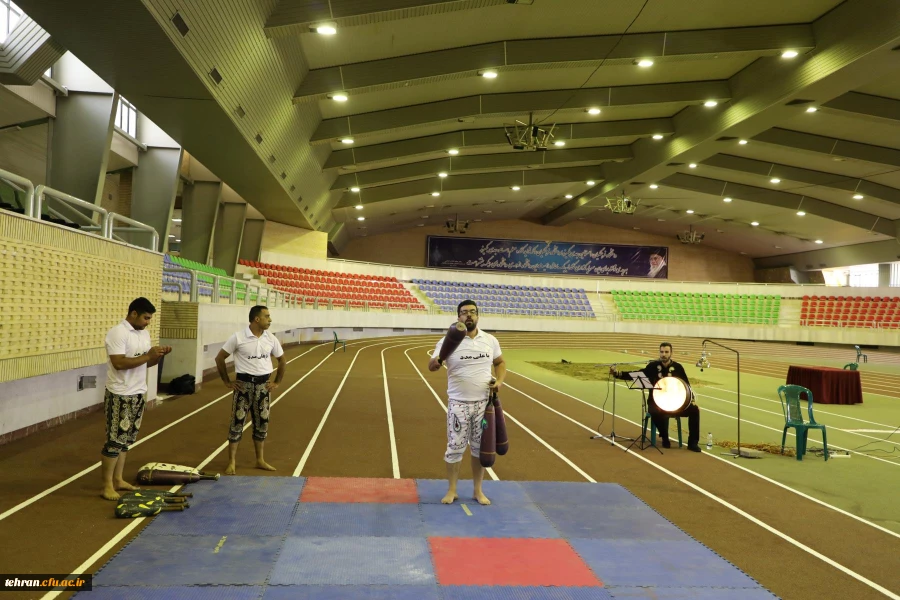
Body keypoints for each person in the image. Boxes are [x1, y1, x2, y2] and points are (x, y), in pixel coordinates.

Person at [428, 300, 506, 506]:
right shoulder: (448, 341)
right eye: (464, 313)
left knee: (479, 448)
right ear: (458, 317)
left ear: (478, 315)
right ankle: (452, 490)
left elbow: (500, 363)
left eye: (473, 312)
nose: (469, 315)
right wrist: (437, 362)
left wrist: (499, 381)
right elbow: (432, 365)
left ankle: (477, 491)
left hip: (484, 405)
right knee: (455, 447)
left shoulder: (489, 340)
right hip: (458, 404)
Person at [101, 297, 172, 500]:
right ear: (133, 314)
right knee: (114, 441)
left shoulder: (144, 334)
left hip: (138, 392)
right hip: (120, 394)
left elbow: (145, 364)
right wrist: (149, 356)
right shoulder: (118, 333)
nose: (148, 322)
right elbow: (119, 363)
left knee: (125, 441)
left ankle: (118, 479)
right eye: (146, 318)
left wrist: (158, 355)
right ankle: (106, 486)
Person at [215, 305, 286, 475]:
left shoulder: (271, 338)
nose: (270, 320)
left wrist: (276, 382)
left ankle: (260, 460)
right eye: (267, 316)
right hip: (243, 386)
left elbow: (282, 361)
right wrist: (227, 381)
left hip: (263, 387)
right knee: (237, 422)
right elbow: (220, 358)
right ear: (257, 319)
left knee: (262, 423)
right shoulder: (238, 337)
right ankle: (231, 462)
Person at [610, 342, 701, 452]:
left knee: (695, 410)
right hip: (656, 402)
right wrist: (618, 373)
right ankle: (664, 437)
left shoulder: (678, 367)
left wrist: (692, 400)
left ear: (671, 353)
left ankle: (692, 443)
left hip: (676, 403)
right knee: (654, 411)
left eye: (666, 352)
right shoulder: (652, 366)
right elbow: (637, 374)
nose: (664, 354)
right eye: (662, 352)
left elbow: (687, 385)